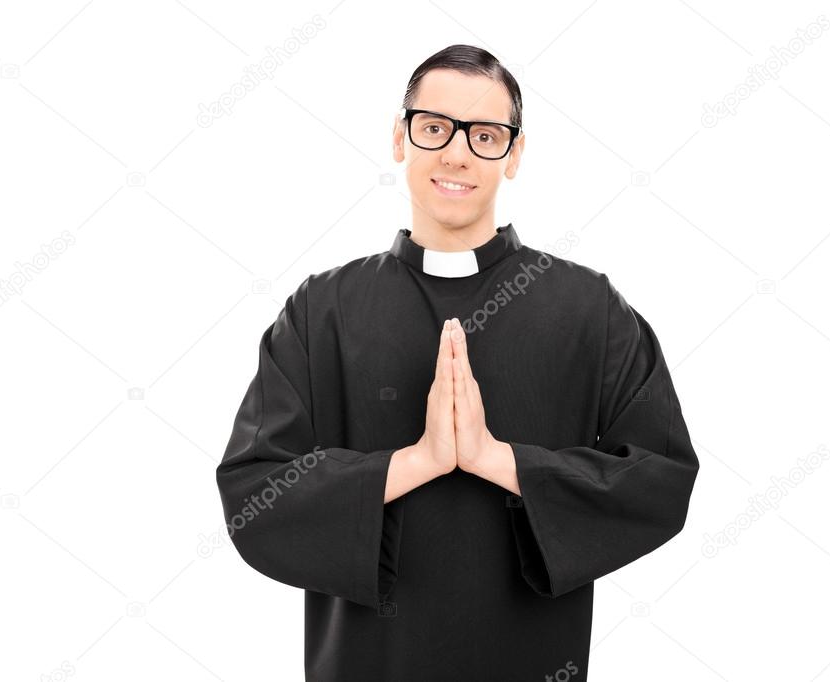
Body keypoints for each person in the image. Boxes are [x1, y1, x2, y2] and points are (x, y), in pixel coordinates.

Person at [215, 43, 700, 681]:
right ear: (400, 137)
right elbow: (253, 489)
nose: (458, 153)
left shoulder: (589, 307)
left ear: (515, 153)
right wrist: (414, 464)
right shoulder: (322, 309)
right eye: (436, 127)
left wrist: (495, 460)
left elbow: (661, 477)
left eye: (487, 134)